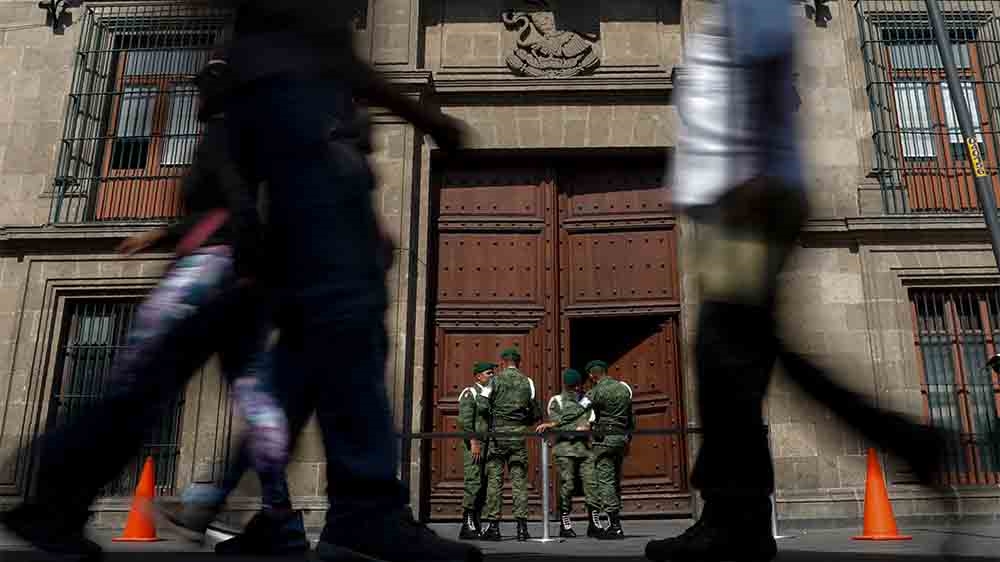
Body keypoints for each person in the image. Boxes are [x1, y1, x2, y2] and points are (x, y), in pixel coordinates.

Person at [644, 2, 950, 561]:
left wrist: (752, 176)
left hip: (747, 200)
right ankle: (902, 441)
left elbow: (766, 66)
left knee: (725, 358)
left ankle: (735, 520)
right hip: (736, 199)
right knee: (745, 355)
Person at [0, 53, 303, 559]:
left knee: (132, 383)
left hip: (205, 275)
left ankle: (54, 509)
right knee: (256, 398)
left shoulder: (225, 131)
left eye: (207, 82)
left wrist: (196, 241)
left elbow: (235, 203)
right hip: (247, 285)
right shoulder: (265, 138)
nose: (198, 92)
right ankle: (281, 520)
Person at [480, 348, 539, 542]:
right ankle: (522, 528)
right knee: (519, 481)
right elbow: (535, 412)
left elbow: (482, 405)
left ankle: (494, 527)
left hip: (498, 436)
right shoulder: (528, 381)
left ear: (503, 363)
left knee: (494, 480)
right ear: (518, 363)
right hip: (518, 436)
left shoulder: (494, 380)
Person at [535, 368, 595, 539]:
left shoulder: (586, 401)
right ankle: (565, 520)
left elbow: (590, 422)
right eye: (572, 386)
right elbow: (556, 425)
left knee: (592, 484)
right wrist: (576, 428)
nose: (576, 389)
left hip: (585, 449)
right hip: (565, 450)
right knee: (567, 486)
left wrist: (581, 427)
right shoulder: (557, 401)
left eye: (577, 385)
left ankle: (594, 521)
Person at [580, 360, 633, 540]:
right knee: (615, 480)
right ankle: (614, 522)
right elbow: (631, 418)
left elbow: (579, 408)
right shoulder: (623, 389)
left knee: (606, 481)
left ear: (592, 375)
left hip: (604, 441)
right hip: (621, 438)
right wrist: (627, 439)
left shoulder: (596, 391)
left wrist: (556, 423)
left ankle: (615, 526)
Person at [457, 362, 495, 540]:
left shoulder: (490, 394)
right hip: (474, 445)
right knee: (473, 482)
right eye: (488, 373)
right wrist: (473, 441)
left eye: (492, 373)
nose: (492, 376)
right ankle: (467, 523)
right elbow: (465, 421)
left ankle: (476, 521)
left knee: (484, 483)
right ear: (478, 376)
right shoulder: (470, 393)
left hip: (488, 445)